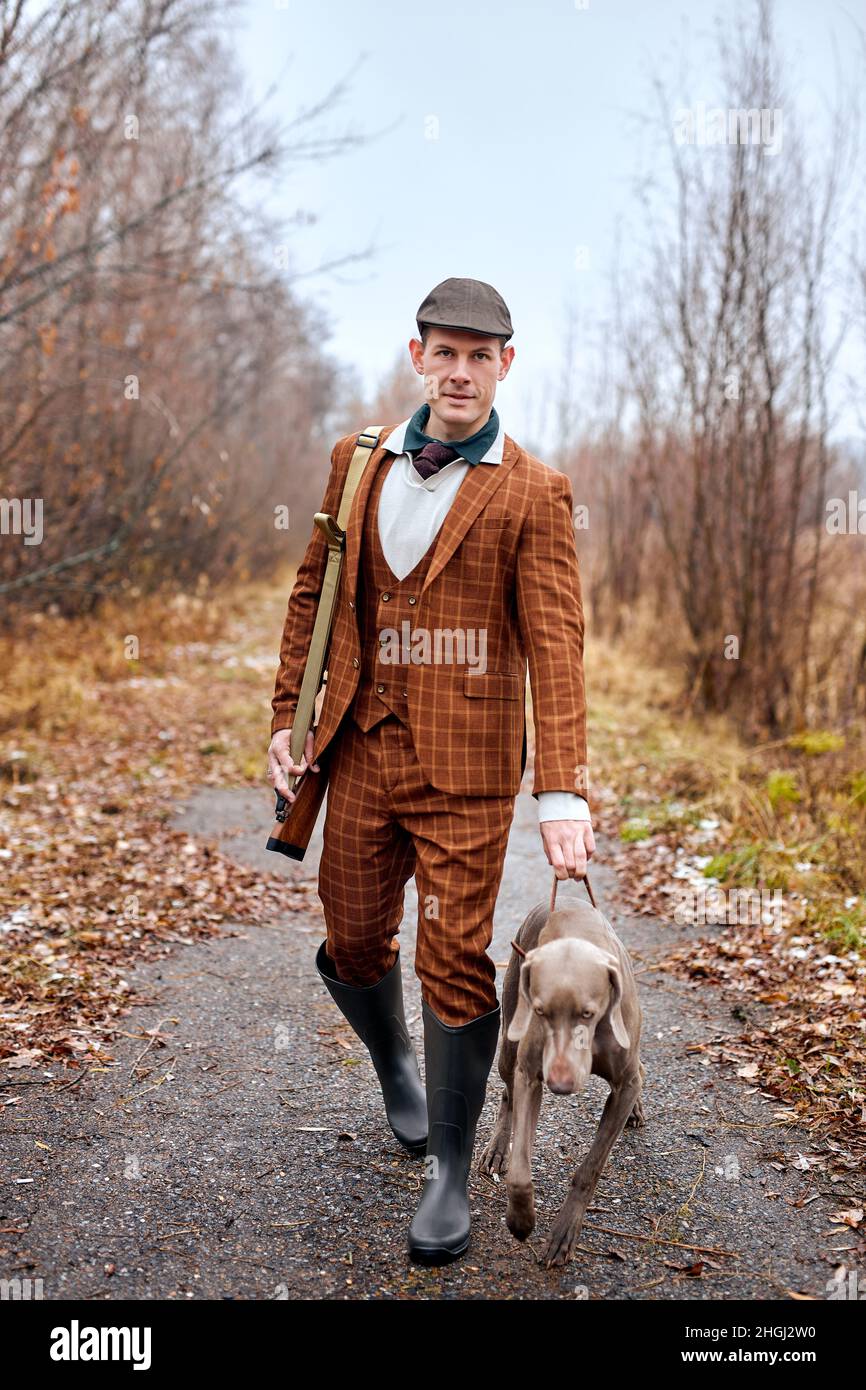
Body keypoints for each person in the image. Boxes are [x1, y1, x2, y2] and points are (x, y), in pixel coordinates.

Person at [267, 277, 594, 1264]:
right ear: (417, 357)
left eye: (478, 355)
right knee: (354, 938)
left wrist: (562, 791)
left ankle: (452, 1170)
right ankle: (396, 1065)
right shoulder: (356, 460)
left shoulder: (534, 492)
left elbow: (557, 645)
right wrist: (290, 717)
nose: (459, 371)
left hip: (468, 774)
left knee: (450, 956)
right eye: (443, 352)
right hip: (361, 747)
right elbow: (312, 593)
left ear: (505, 364)